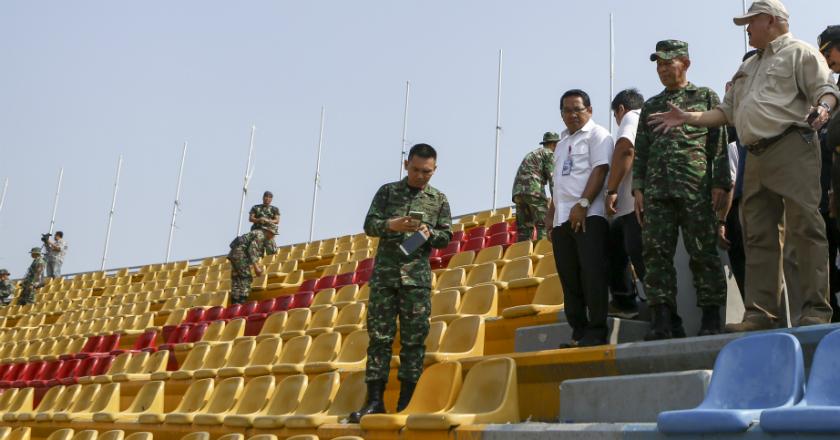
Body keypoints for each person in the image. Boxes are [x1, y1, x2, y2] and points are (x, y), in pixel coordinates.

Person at [648, 0, 840, 331]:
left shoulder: (801, 52)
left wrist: (823, 109)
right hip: (757, 156)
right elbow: (726, 113)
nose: (747, 29)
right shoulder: (748, 67)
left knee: (805, 231)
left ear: (771, 20)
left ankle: (813, 311)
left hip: (792, 145)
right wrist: (688, 117)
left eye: (751, 22)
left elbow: (826, 89)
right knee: (758, 237)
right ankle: (762, 315)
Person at [634, 40, 732, 339]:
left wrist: (720, 183)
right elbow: (641, 151)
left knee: (702, 252)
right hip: (657, 191)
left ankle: (712, 318)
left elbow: (718, 145)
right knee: (655, 255)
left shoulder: (704, 96)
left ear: (685, 63)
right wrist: (638, 188)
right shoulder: (650, 105)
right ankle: (664, 320)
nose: (663, 69)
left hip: (696, 188)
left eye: (668, 63)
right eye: (659, 64)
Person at [349, 143, 452, 422]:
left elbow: (447, 236)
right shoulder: (387, 192)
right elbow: (370, 224)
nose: (421, 176)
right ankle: (374, 401)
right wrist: (391, 225)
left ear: (435, 170)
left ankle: (407, 400)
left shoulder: (439, 199)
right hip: (385, 277)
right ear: (406, 165)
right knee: (379, 339)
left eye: (427, 172)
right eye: (416, 170)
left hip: (416, 280)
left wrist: (429, 233)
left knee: (413, 341)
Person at [547, 89, 613, 347]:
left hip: (589, 216)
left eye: (578, 109)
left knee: (592, 274)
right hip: (562, 219)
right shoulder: (562, 142)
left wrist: (583, 203)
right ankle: (578, 332)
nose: (572, 115)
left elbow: (601, 169)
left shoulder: (598, 135)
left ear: (590, 110)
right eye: (567, 110)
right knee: (569, 277)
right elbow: (558, 183)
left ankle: (596, 331)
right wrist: (551, 213)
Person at [605, 88, 645, 319]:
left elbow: (625, 149)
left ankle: (651, 309)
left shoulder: (632, 117)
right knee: (616, 243)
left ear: (621, 109)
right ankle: (625, 301)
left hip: (634, 204)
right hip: (633, 206)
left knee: (639, 255)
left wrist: (612, 190)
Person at [512, 132, 557, 242]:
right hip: (533, 190)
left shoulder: (533, 153)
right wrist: (557, 201)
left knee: (524, 229)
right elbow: (553, 180)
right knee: (543, 223)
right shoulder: (549, 153)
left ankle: (522, 255)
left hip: (518, 192)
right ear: (554, 144)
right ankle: (543, 249)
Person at [226, 222, 276, 305]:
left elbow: (271, 251)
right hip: (240, 255)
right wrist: (256, 268)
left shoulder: (257, 233)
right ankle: (241, 301)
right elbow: (252, 251)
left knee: (237, 278)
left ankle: (235, 302)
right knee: (246, 278)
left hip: (235, 254)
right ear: (268, 231)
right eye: (273, 234)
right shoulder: (260, 235)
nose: (273, 236)